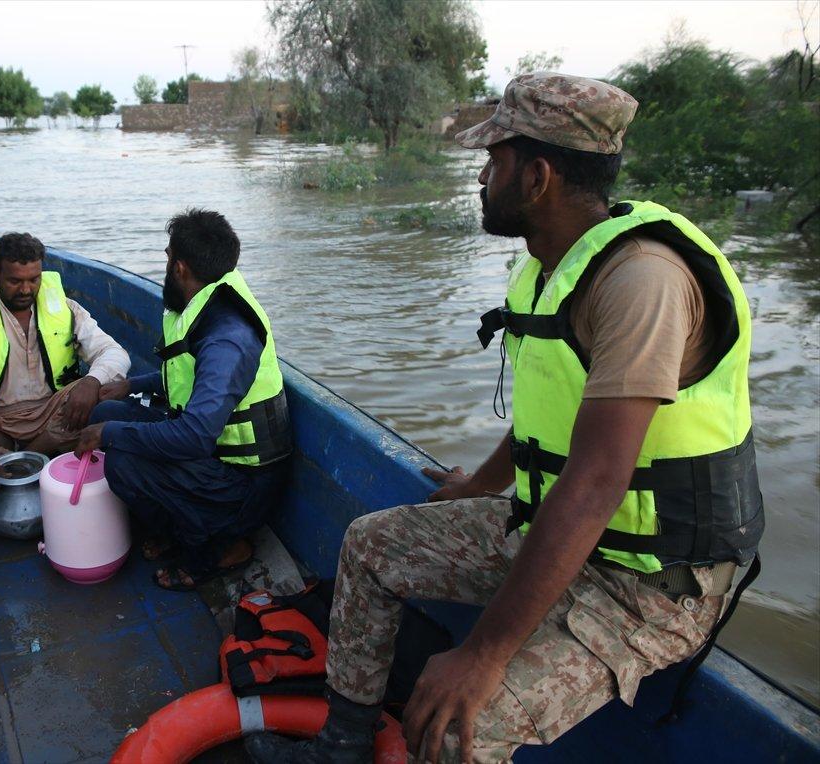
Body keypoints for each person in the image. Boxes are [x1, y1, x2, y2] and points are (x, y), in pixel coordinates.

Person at [246, 73, 764, 763]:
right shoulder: (550, 268)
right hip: (555, 527)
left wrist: (483, 653)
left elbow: (598, 479)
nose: (481, 179)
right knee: (370, 545)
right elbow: (549, 419)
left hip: (649, 583)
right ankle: (342, 746)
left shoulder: (642, 282)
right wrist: (482, 484)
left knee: (453, 728)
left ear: (537, 178)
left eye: (494, 162)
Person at [75, 209, 293, 591]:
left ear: (179, 267)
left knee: (123, 461)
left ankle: (214, 551)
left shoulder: (227, 337)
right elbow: (188, 377)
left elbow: (193, 437)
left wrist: (108, 434)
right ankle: (179, 525)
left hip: (241, 485)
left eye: (167, 256)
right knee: (107, 410)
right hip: (215, 454)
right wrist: (132, 385)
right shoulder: (208, 301)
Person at [0, 232, 131, 460]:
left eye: (34, 280)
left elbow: (115, 353)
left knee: (108, 395)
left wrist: (91, 382)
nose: (26, 290)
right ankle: (28, 455)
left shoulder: (64, 307)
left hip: (55, 411)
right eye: (15, 281)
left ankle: (29, 455)